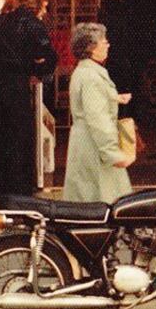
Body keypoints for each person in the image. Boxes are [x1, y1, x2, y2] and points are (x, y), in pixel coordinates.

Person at [0, 0, 58, 206]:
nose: (45, 12)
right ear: (39, 3)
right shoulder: (32, 24)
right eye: (45, 6)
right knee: (19, 139)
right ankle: (19, 193)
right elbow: (49, 56)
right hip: (16, 87)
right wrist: (36, 71)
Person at [62, 23, 134, 203]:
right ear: (91, 48)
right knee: (103, 203)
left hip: (87, 143)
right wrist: (113, 153)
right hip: (95, 147)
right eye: (104, 41)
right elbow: (97, 119)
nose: (108, 44)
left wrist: (114, 98)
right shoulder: (91, 77)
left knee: (86, 200)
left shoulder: (85, 72)